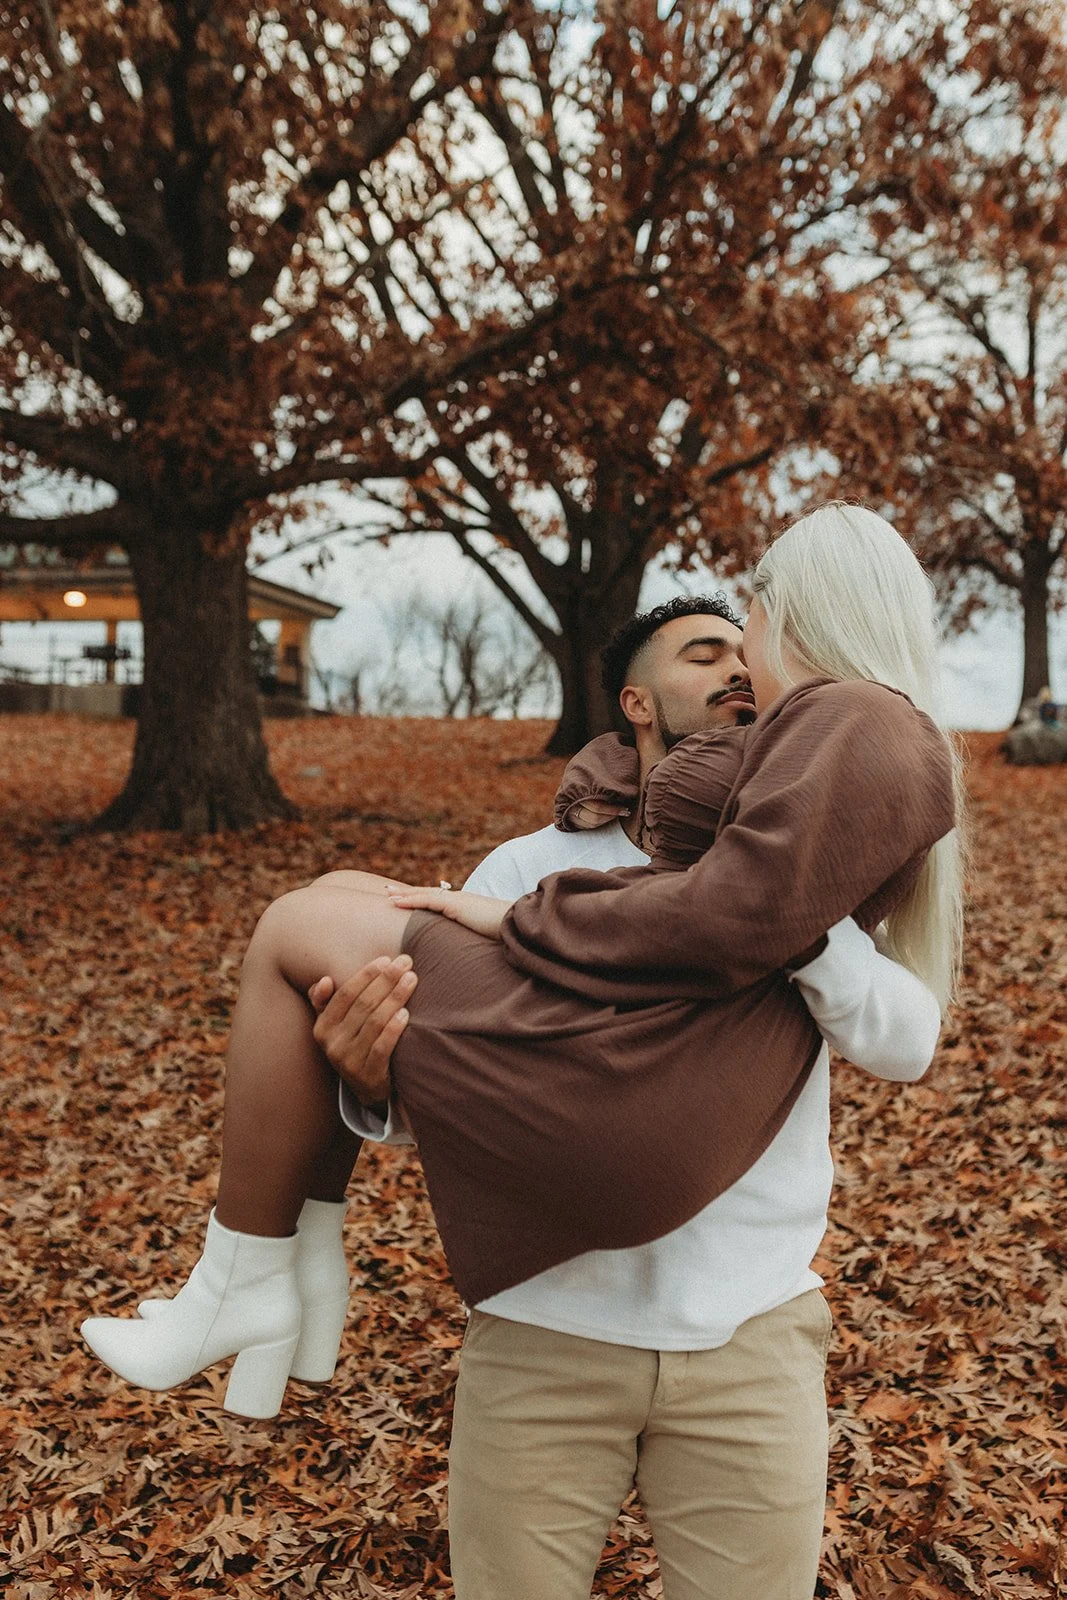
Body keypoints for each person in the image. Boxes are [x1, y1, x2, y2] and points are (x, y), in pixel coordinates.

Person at [81, 504, 963, 1598]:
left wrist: (803, 927)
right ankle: (270, 1269)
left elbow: (903, 1036)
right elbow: (477, 1073)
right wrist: (363, 1078)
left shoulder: (817, 833)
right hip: (546, 1330)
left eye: (749, 646)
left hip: (748, 1330)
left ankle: (257, 1275)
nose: (740, 670)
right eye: (710, 653)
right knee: (332, 910)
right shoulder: (531, 859)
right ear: (635, 703)